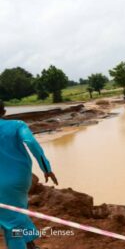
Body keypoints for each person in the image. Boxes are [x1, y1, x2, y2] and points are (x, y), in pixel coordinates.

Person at [0, 100, 58, 249]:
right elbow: (31, 143)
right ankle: (30, 244)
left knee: (11, 222)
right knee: (17, 213)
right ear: (3, 111)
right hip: (20, 179)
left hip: (3, 184)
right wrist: (46, 168)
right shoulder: (17, 125)